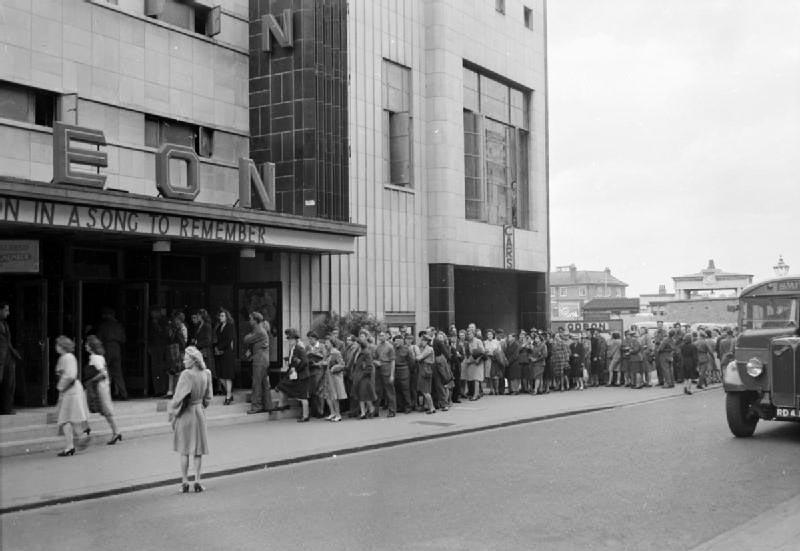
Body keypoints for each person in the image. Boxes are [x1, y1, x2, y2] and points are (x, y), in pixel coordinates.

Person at [169, 346, 213, 493]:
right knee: (198, 451)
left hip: (186, 414)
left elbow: (178, 398)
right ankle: (198, 481)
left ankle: (185, 482)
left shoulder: (186, 375)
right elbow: (208, 398)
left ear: (193, 360)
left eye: (186, 358)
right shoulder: (206, 373)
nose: (183, 361)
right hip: (199, 413)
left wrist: (173, 413)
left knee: (184, 450)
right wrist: (201, 405)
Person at [83, 335, 122, 445]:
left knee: (105, 410)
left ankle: (115, 432)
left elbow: (103, 373)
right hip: (101, 386)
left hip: (99, 387)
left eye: (87, 344)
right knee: (104, 410)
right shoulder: (99, 357)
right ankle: (115, 431)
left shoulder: (95, 358)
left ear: (91, 346)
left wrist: (91, 380)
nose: (85, 346)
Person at [54, 336, 89, 456]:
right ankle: (80, 437)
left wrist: (61, 388)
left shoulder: (66, 358)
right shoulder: (69, 357)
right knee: (70, 418)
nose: (56, 347)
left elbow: (69, 376)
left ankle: (70, 446)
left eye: (57, 345)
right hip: (73, 390)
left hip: (70, 390)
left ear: (62, 346)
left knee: (64, 419)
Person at [277, 328, 311, 422]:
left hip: (302, 376)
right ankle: (283, 404)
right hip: (295, 375)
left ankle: (305, 416)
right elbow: (294, 362)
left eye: (291, 339)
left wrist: (296, 369)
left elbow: (305, 362)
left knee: (303, 397)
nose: (290, 341)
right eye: (289, 339)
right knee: (282, 386)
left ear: (296, 340)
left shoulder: (299, 348)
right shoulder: (293, 349)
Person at [243, 312, 272, 414]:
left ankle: (256, 406)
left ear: (255, 320)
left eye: (251, 319)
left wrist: (249, 336)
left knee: (257, 383)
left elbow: (246, 339)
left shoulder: (259, 331)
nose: (249, 321)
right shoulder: (260, 330)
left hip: (259, 360)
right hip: (262, 360)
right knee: (264, 383)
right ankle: (267, 405)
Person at [96, 308, 127, 400]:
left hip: (106, 348)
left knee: (105, 371)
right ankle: (124, 393)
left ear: (107, 315)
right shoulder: (119, 326)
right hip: (117, 348)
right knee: (118, 373)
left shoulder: (104, 325)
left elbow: (99, 338)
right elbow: (123, 339)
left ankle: (106, 394)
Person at [0, 301, 21, 415]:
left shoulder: (5, 324)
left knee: (9, 383)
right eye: (6, 310)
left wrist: (14, 353)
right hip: (2, 358)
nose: (8, 313)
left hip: (7, 357)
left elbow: (7, 342)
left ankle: (7, 408)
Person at [351, 333, 377, 419]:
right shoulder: (356, 352)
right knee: (360, 394)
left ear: (359, 344)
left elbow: (369, 366)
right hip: (357, 376)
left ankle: (371, 409)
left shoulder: (366, 352)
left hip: (364, 377)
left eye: (356, 343)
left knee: (365, 394)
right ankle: (363, 412)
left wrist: (363, 374)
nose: (354, 345)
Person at [214, 308, 236, 405]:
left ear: (227, 317)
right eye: (220, 316)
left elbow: (229, 339)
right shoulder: (219, 327)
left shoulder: (230, 326)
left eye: (223, 316)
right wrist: (216, 347)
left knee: (227, 375)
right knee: (220, 375)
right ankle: (229, 393)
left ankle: (228, 396)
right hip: (219, 353)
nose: (221, 317)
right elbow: (217, 339)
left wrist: (219, 347)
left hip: (227, 353)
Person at [321, 338, 346, 422]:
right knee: (328, 396)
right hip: (327, 376)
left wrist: (334, 368)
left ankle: (338, 414)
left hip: (334, 377)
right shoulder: (327, 353)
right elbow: (325, 362)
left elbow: (342, 364)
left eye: (327, 342)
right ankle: (332, 413)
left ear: (332, 343)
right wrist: (323, 363)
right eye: (325, 342)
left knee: (335, 396)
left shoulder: (336, 352)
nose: (325, 344)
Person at [148, 307, 170, 397]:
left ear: (158, 312)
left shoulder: (164, 321)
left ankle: (163, 389)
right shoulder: (150, 322)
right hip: (154, 347)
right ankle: (157, 390)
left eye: (153, 312)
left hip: (162, 347)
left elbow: (165, 334)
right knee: (155, 369)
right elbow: (149, 335)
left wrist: (157, 325)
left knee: (162, 369)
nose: (152, 314)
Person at [165, 310, 188, 399]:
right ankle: (170, 391)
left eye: (177, 319)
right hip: (173, 351)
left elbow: (184, 341)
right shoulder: (173, 328)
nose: (175, 321)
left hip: (179, 351)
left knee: (179, 371)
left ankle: (177, 391)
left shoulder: (182, 328)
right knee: (171, 371)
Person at [414, 334, 436, 414]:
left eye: (423, 340)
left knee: (425, 390)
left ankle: (432, 408)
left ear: (426, 341)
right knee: (425, 390)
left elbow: (419, 358)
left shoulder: (429, 349)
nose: (421, 342)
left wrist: (416, 349)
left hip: (425, 370)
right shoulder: (425, 348)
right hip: (424, 369)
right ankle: (428, 406)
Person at [392, 334, 414, 413]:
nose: (396, 343)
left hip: (404, 370)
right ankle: (400, 406)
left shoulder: (406, 349)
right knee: (397, 389)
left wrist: (410, 370)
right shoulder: (393, 349)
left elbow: (411, 361)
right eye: (395, 341)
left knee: (405, 389)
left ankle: (408, 406)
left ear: (402, 341)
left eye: (398, 341)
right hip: (395, 370)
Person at [191, 309, 215, 377]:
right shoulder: (199, 325)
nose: (197, 317)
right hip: (199, 351)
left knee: (205, 372)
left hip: (205, 351)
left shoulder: (206, 326)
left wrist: (197, 345)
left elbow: (208, 340)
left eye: (198, 315)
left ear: (202, 316)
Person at [463, 328, 485, 400]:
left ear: (473, 334)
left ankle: (476, 395)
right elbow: (466, 353)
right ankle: (473, 393)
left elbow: (482, 351)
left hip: (478, 362)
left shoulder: (478, 341)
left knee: (476, 378)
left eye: (470, 334)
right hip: (470, 362)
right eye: (468, 334)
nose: (469, 335)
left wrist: (478, 359)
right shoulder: (467, 343)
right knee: (471, 378)